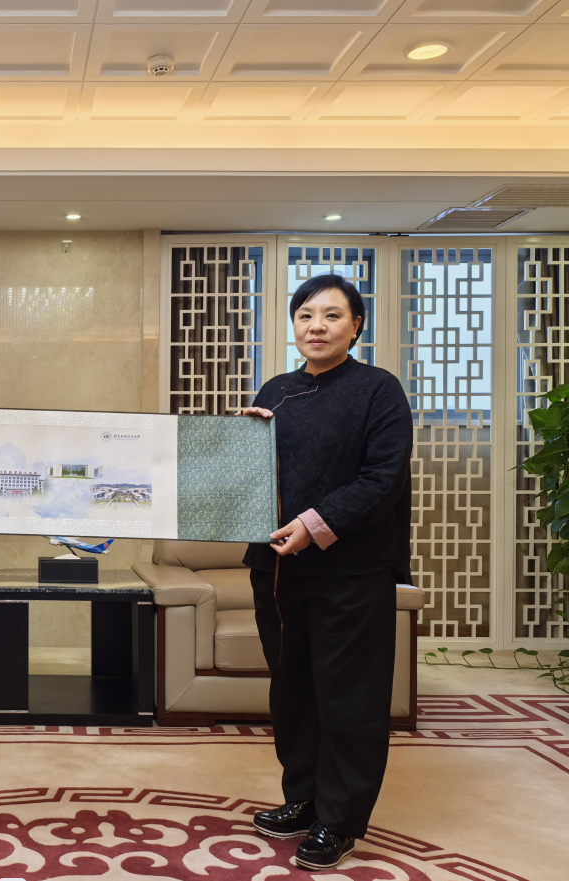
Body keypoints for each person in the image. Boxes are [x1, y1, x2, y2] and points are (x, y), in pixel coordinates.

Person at [239, 274, 413, 870]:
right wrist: (239, 441)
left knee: (348, 695)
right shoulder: (277, 389)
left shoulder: (378, 390)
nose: (317, 326)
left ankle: (339, 819)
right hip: (277, 568)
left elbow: (382, 479)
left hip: (351, 568)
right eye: (306, 315)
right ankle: (304, 798)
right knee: (293, 688)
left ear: (356, 325)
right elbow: (256, 474)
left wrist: (314, 525)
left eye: (332, 316)